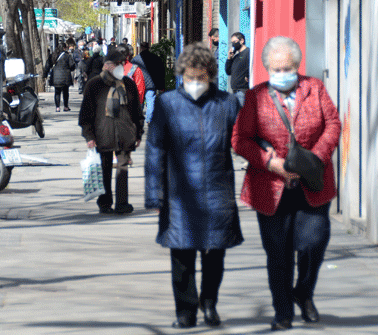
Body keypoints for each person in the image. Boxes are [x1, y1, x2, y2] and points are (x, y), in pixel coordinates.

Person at [231, 36, 340, 331]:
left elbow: (333, 124)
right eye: (276, 68)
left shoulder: (314, 88)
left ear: (297, 65)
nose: (283, 73)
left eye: (288, 67)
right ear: (267, 68)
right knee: (278, 254)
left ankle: (304, 293)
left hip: (312, 184)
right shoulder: (255, 97)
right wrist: (271, 162)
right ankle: (282, 310)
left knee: (313, 243)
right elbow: (240, 139)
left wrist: (313, 159)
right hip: (270, 187)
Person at [145, 43, 243, 329]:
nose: (196, 83)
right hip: (179, 196)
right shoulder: (167, 104)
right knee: (182, 257)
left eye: (201, 77)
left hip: (217, 192)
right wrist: (155, 195)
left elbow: (243, 140)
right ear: (181, 75)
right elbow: (155, 151)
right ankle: (185, 311)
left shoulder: (226, 104)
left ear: (210, 75)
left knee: (215, 256)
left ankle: (209, 302)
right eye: (190, 77)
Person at [79, 51, 144, 214]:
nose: (121, 67)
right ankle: (105, 203)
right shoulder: (94, 84)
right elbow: (86, 113)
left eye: (121, 64)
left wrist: (138, 133)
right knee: (104, 169)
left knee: (123, 169)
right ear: (107, 66)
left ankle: (122, 204)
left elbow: (137, 111)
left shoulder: (128, 84)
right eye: (117, 64)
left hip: (125, 133)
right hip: (103, 134)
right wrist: (89, 135)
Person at [131, 41, 165, 124]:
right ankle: (149, 119)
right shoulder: (155, 58)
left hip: (139, 85)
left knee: (140, 102)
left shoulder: (135, 60)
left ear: (140, 48)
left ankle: (139, 118)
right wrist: (161, 86)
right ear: (148, 47)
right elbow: (160, 72)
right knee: (151, 102)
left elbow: (131, 73)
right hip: (151, 84)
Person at [44, 39, 76, 112]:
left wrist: (45, 75)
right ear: (64, 48)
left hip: (55, 77)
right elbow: (72, 66)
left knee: (57, 92)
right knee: (65, 92)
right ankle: (65, 106)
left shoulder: (53, 55)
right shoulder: (67, 56)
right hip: (65, 77)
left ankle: (57, 107)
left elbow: (47, 65)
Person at [225, 32, 250, 106]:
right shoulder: (236, 56)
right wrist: (229, 58)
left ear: (242, 41)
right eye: (232, 42)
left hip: (243, 90)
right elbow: (228, 71)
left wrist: (248, 75)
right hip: (234, 91)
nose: (233, 44)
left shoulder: (248, 52)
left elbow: (251, 66)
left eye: (235, 42)